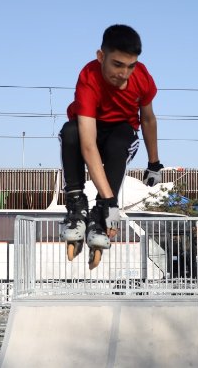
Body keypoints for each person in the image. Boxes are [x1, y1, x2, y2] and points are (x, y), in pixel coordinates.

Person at [59, 24, 163, 268]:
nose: (124, 74)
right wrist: (111, 202)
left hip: (121, 132)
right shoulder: (89, 77)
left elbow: (148, 119)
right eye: (117, 65)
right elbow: (87, 145)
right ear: (101, 56)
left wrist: (154, 163)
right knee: (70, 132)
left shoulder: (143, 78)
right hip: (90, 130)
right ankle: (77, 205)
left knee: (119, 141)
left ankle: (100, 214)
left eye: (130, 66)